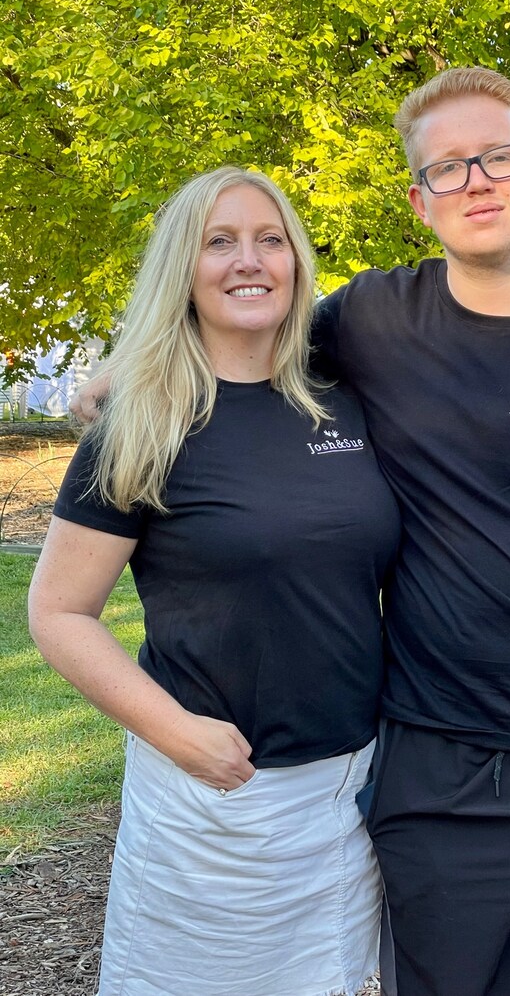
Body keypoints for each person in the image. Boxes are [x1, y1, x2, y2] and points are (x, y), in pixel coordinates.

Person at [71, 68, 510, 996]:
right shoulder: (375, 319)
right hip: (436, 766)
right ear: (419, 201)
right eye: (448, 168)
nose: (477, 182)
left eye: (499, 156)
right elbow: (246, 321)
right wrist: (120, 369)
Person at [29, 166, 401, 996]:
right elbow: (57, 612)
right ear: (183, 268)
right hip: (211, 799)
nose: (250, 260)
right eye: (219, 241)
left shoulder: (343, 402)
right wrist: (175, 731)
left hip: (349, 794)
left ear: (298, 262)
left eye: (271, 240)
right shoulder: (141, 425)